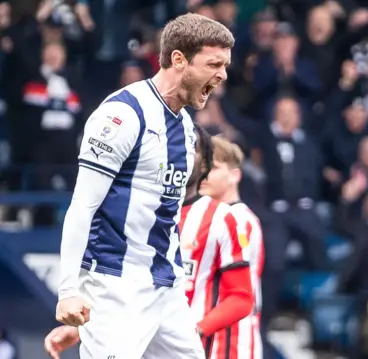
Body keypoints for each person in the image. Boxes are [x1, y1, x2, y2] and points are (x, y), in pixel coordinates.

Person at [54, 13, 234, 359]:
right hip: (114, 285)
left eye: (225, 66)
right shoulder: (122, 116)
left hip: (166, 286)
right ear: (179, 59)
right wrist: (68, 290)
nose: (223, 75)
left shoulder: (184, 126)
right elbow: (83, 206)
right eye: (214, 64)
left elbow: (163, 207)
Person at [196, 135, 265, 359]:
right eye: (202, 168)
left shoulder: (240, 220)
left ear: (235, 175)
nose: (204, 175)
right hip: (211, 335)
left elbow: (236, 293)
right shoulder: (209, 217)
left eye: (214, 168)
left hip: (233, 338)